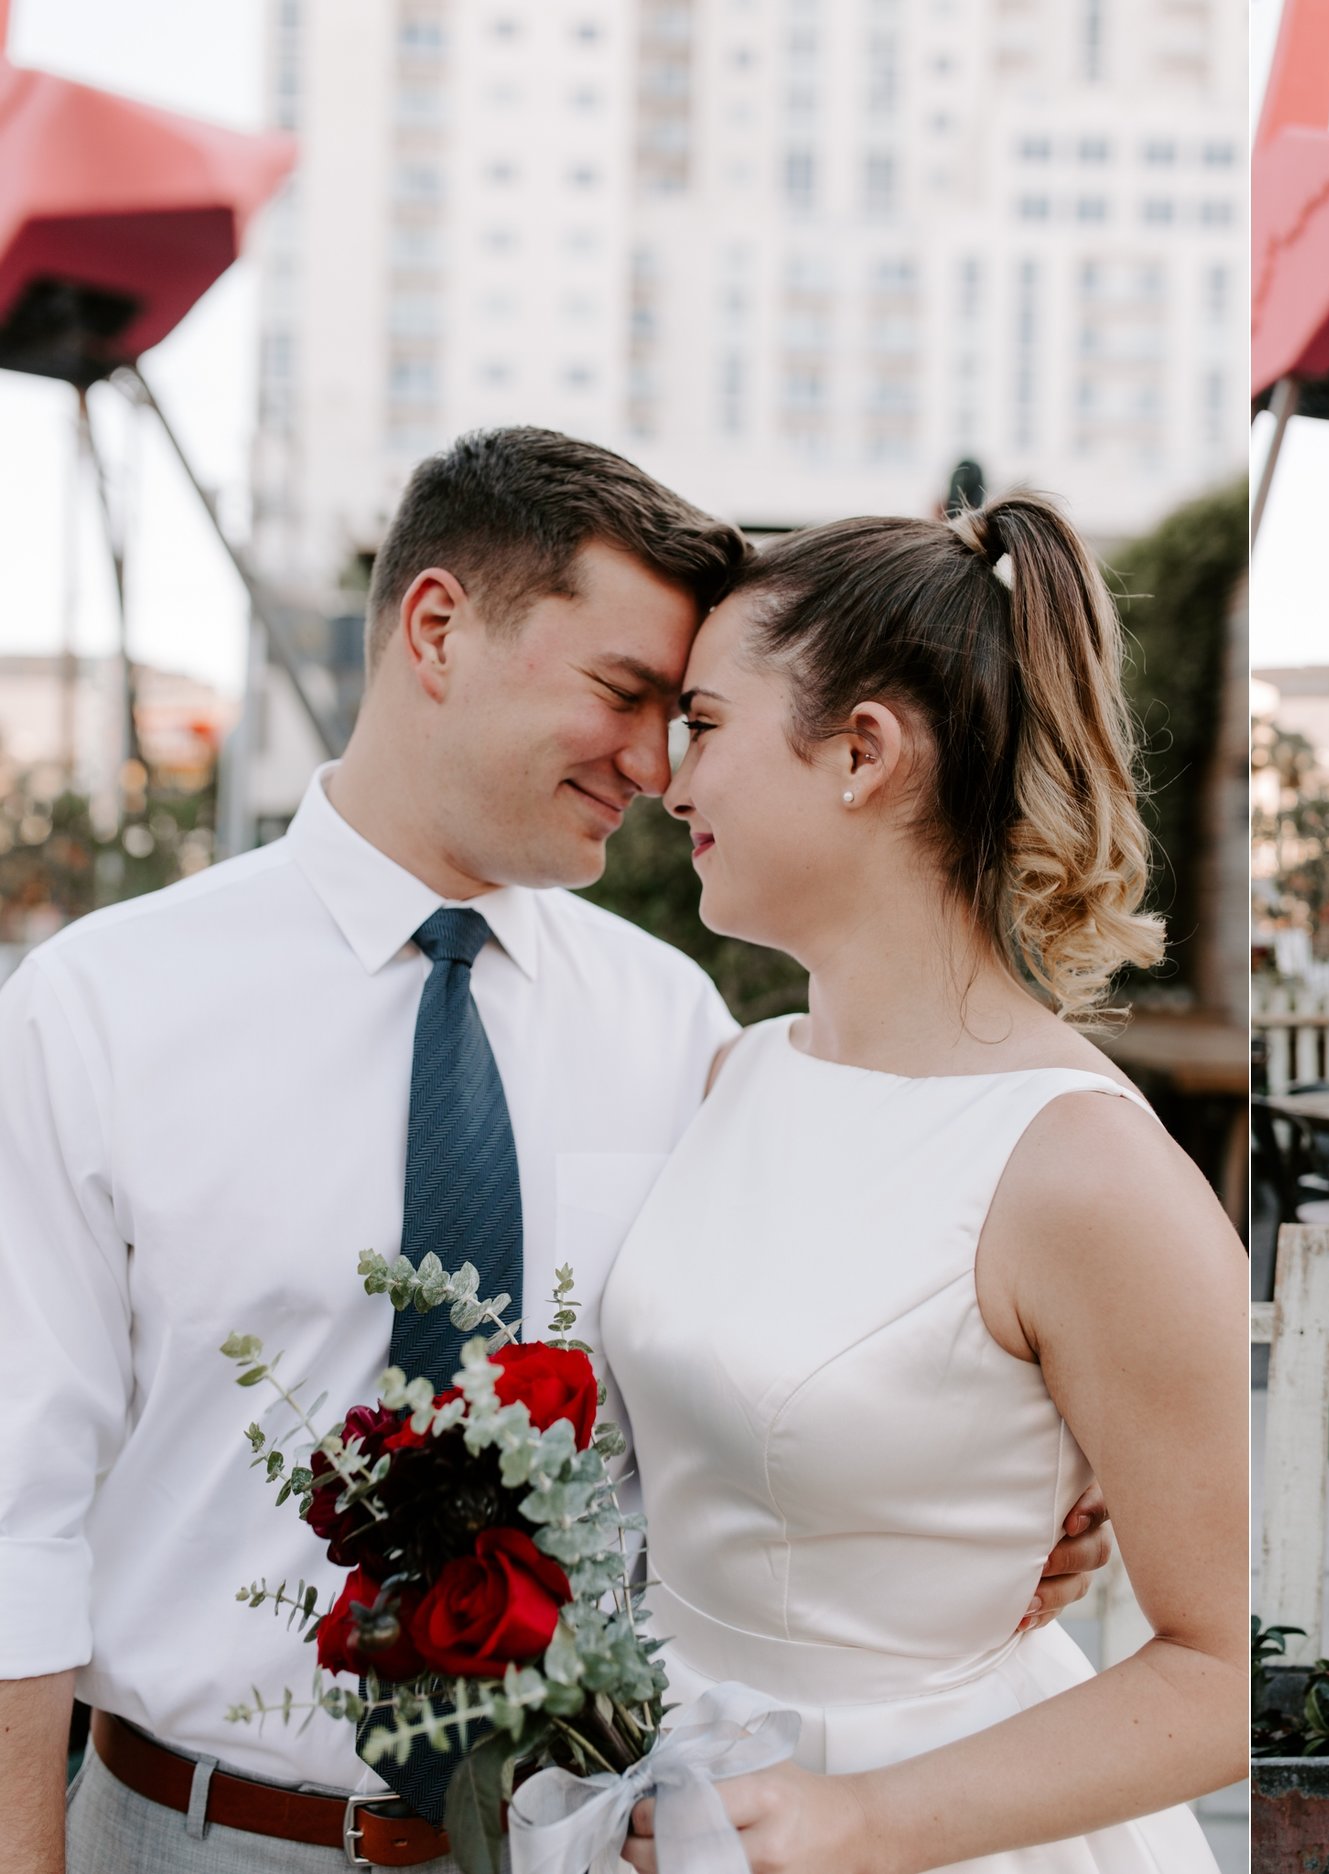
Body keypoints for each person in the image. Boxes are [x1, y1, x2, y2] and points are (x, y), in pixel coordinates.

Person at [0, 429, 1116, 1874]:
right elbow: (15, 1517)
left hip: (581, 1837)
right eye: (622, 692)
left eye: (683, 714)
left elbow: (778, 1393)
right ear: (439, 628)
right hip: (192, 1835)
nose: (656, 764)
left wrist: (973, 1510)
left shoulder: (680, 1030)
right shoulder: (99, 1011)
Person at [603, 495, 1247, 1874]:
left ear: (861, 750)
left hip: (930, 1828)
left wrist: (857, 1819)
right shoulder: (737, 1076)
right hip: (676, 1801)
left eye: (705, 724)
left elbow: (1222, 1668)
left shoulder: (1087, 1170)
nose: (672, 777)